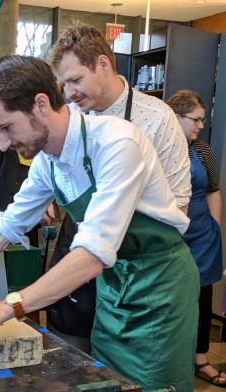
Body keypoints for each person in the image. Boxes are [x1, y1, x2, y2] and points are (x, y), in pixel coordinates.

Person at [0, 55, 199, 392]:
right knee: (110, 386)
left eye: (6, 127)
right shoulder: (47, 163)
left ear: (40, 104)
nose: (3, 144)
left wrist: (3, 308)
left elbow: (93, 254)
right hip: (116, 289)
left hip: (160, 290)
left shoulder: (116, 143)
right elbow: (7, 226)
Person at [41, 24, 192, 351]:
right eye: (64, 84)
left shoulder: (157, 119)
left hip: (138, 270)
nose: (69, 93)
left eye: (75, 80)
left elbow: (179, 206)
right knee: (70, 353)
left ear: (103, 64)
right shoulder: (72, 117)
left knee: (126, 366)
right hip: (78, 249)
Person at [167, 90, 225, 388]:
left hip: (203, 236)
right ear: (176, 117)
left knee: (202, 299)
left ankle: (200, 358)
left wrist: (215, 226)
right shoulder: (159, 149)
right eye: (196, 119)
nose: (201, 125)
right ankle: (171, 359)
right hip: (171, 237)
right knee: (172, 298)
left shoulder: (202, 150)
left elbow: (213, 189)